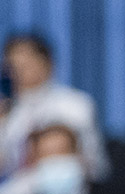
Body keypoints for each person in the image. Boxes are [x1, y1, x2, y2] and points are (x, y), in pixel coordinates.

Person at [0, 33, 109, 181]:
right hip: (16, 193)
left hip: (69, 191)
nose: (19, 73)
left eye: (26, 65)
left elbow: (95, 164)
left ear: (47, 63)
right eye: (13, 67)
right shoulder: (8, 112)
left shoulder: (75, 104)